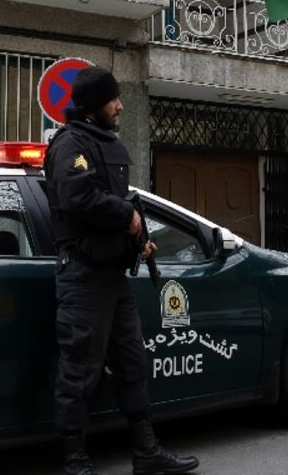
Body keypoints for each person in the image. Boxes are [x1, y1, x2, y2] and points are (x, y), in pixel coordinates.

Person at [44, 66, 199, 475]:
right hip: (83, 276)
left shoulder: (102, 142)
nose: (120, 105)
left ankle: (146, 453)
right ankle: (76, 461)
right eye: (114, 99)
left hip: (112, 275)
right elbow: (78, 198)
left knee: (132, 364)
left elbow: (116, 204)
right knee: (79, 370)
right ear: (96, 104)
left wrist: (137, 239)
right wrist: (126, 216)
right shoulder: (70, 144)